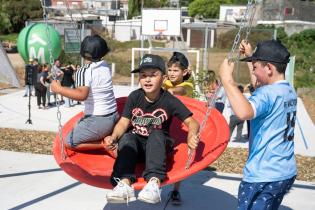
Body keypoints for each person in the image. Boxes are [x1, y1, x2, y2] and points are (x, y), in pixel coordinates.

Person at [105, 54, 200, 204]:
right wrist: (114, 136)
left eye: (153, 75)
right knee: (128, 136)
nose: (147, 79)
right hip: (137, 149)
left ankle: (154, 184)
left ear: (163, 78)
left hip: (158, 147)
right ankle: (124, 185)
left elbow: (193, 122)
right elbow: (123, 123)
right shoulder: (134, 97)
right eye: (143, 75)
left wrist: (191, 136)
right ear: (139, 79)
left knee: (156, 133)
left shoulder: (169, 100)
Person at [219, 39, 297, 210]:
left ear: (269, 68)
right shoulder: (288, 90)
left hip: (263, 174)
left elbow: (244, 112)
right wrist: (250, 57)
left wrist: (227, 80)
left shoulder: (267, 94)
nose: (253, 72)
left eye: (255, 68)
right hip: (284, 172)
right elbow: (259, 85)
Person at [51, 35, 118, 151]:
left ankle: (105, 145)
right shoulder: (105, 66)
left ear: (82, 53)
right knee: (77, 124)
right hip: (113, 116)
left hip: (98, 120)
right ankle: (107, 136)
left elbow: (82, 95)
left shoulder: (84, 70)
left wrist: (59, 89)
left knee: (69, 141)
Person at [163, 51, 193, 205]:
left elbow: (181, 90)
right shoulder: (165, 81)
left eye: (176, 70)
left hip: (181, 129)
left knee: (180, 160)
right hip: (166, 126)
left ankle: (176, 190)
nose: (172, 73)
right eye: (170, 70)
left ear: (185, 72)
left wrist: (171, 91)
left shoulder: (187, 85)